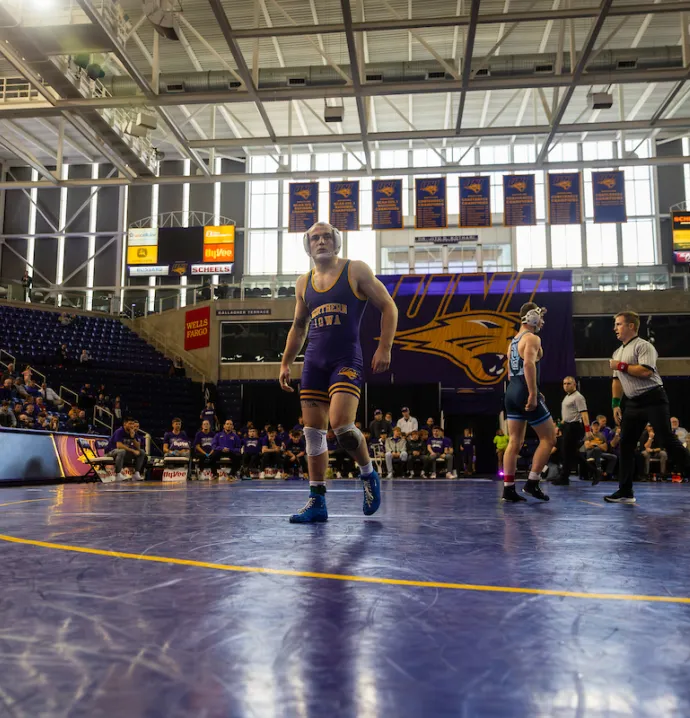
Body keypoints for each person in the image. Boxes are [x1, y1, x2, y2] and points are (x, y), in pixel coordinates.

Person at [279, 221, 398, 523]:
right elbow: (298, 326)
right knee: (312, 435)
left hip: (346, 359)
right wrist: (285, 362)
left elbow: (388, 306)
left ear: (337, 241)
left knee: (342, 427)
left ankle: (368, 474)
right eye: (315, 238)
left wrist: (384, 347)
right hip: (314, 364)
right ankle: (317, 500)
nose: (321, 241)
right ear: (308, 245)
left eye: (326, 236)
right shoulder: (303, 282)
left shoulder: (355, 270)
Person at [606, 311, 690, 503]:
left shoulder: (645, 347)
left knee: (667, 440)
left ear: (631, 326)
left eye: (619, 324)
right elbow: (616, 382)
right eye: (615, 324)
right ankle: (626, 492)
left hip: (653, 398)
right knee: (626, 444)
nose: (615, 328)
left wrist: (620, 366)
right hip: (633, 403)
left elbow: (645, 371)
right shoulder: (617, 352)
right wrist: (615, 404)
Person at [502, 303, 555, 502]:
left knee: (514, 441)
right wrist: (532, 393)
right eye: (540, 317)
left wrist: (527, 391)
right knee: (549, 439)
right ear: (531, 318)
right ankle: (532, 483)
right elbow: (529, 363)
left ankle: (508, 489)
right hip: (524, 390)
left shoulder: (513, 341)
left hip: (512, 390)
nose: (542, 321)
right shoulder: (532, 338)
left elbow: (511, 369)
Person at [553, 376, 591, 485]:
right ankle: (593, 470)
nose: (566, 386)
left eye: (568, 383)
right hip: (567, 426)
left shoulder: (578, 397)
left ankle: (564, 477)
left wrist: (587, 430)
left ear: (574, 384)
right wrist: (559, 427)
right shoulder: (567, 397)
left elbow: (584, 414)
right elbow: (566, 416)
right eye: (564, 383)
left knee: (567, 452)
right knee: (571, 453)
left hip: (574, 427)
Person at [106, 417, 146, 481]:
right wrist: (133, 450)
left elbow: (138, 447)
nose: (132, 426)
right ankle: (118, 474)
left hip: (124, 453)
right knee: (122, 451)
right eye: (130, 424)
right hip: (111, 452)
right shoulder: (119, 431)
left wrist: (133, 437)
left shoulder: (132, 432)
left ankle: (136, 473)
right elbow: (119, 446)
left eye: (132, 424)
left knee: (142, 452)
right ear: (125, 424)